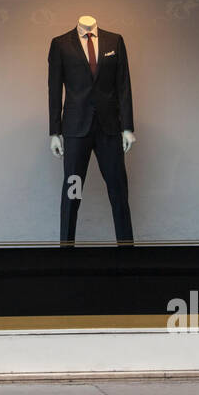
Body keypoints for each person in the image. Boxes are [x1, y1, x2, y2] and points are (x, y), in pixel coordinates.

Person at [47, 15, 135, 245]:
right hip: (76, 130)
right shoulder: (61, 44)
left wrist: (127, 127)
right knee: (72, 193)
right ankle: (66, 249)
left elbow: (123, 85)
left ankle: (128, 250)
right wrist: (54, 132)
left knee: (118, 192)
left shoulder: (114, 41)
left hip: (110, 129)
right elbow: (54, 89)